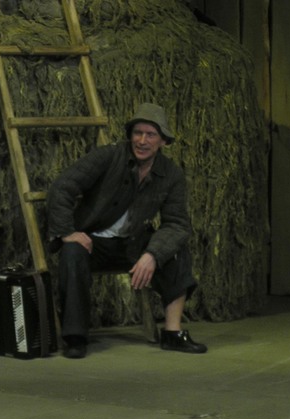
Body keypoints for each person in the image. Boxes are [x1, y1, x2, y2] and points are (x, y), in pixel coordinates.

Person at [47, 103, 207, 359]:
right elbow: (62, 187)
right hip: (93, 242)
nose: (142, 141)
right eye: (137, 133)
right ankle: (75, 338)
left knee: (175, 250)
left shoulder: (171, 174)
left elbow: (176, 224)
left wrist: (153, 254)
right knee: (72, 253)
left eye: (150, 135)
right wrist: (67, 232)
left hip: (133, 243)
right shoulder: (108, 156)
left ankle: (173, 333)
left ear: (163, 141)